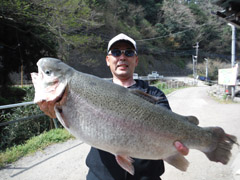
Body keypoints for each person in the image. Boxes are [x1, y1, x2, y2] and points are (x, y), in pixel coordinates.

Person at [86, 33, 189, 180]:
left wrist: (178, 143)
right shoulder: (95, 91)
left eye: (128, 52)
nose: (122, 57)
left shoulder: (154, 94)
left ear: (136, 60)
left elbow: (169, 125)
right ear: (108, 60)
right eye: (116, 52)